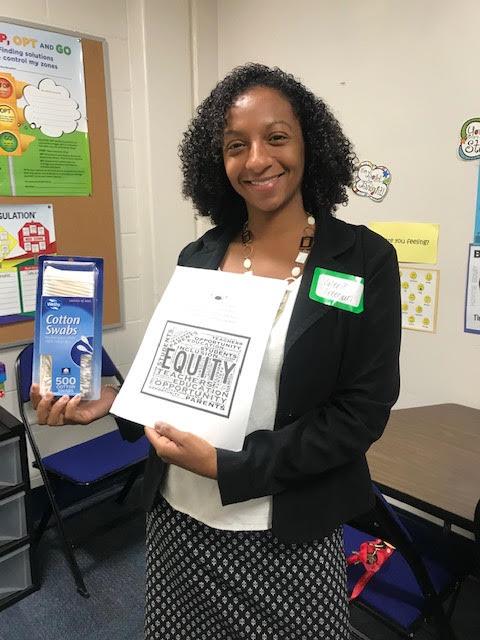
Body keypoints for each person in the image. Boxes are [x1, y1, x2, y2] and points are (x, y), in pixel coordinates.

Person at [32, 63, 401, 639]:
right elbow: (175, 376)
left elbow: (360, 414)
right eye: (236, 145)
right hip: (179, 518)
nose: (257, 159)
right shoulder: (200, 255)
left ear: (309, 144)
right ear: (218, 162)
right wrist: (114, 401)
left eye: (276, 137)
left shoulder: (362, 260)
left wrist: (230, 467)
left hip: (287, 531)